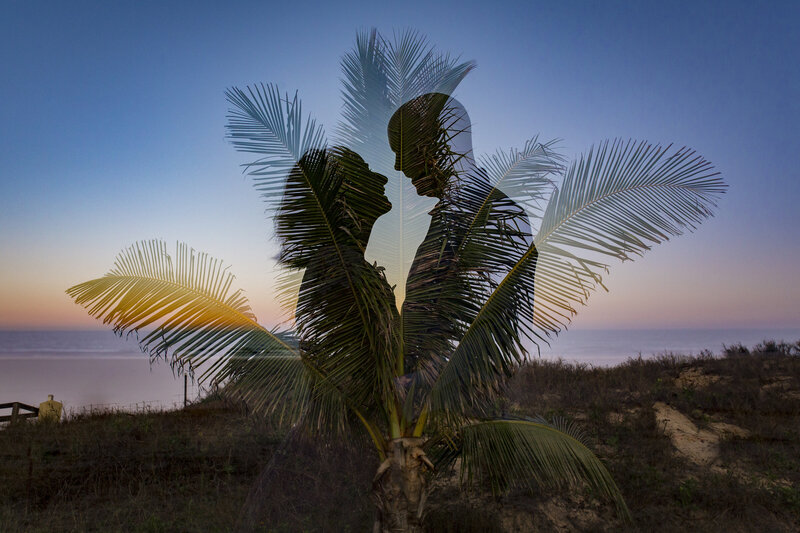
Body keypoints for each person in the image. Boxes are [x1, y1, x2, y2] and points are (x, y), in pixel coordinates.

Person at [387, 93, 535, 386]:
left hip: (452, 405)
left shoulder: (499, 216)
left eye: (401, 150)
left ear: (433, 147)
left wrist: (415, 385)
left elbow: (482, 329)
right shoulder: (456, 214)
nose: (398, 166)